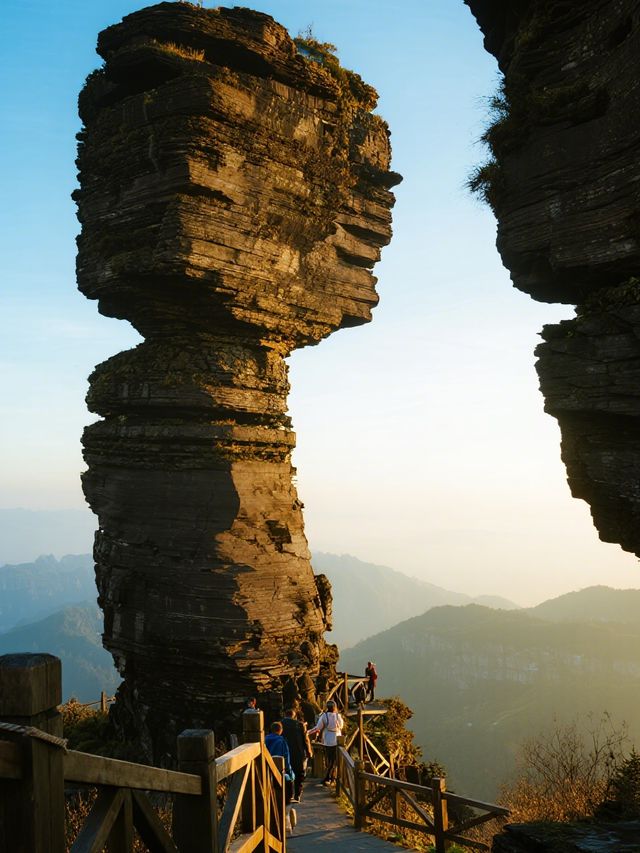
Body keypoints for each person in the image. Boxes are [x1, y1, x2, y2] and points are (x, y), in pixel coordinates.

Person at [308, 699, 344, 786]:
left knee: (329, 759)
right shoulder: (337, 716)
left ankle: (328, 777)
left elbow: (318, 727)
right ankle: (331, 778)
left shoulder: (324, 716)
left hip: (328, 739)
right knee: (334, 760)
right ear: (334, 707)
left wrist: (308, 732)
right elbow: (341, 726)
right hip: (337, 739)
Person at [281, 708, 312, 802]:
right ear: (294, 716)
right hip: (298, 752)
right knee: (299, 774)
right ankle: (297, 794)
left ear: (285, 715)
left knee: (286, 772)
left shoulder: (280, 724)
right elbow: (305, 740)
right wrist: (309, 751)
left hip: (284, 752)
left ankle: (288, 795)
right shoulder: (300, 725)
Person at [265, 721, 295, 805]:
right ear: (281, 730)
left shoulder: (264, 739)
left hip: (265, 769)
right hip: (278, 770)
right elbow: (286, 759)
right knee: (290, 777)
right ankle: (289, 799)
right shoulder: (282, 741)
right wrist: (290, 772)